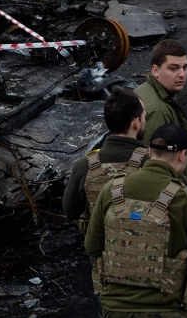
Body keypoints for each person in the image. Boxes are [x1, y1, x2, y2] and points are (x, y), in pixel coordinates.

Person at [86, 123, 187, 318]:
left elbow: (91, 247)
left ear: (149, 152)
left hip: (115, 315)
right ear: (183, 156)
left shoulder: (112, 189)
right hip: (165, 316)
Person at [135, 40, 187, 211]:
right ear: (155, 70)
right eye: (173, 68)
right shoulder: (158, 110)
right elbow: (152, 164)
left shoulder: (145, 90)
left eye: (185, 67)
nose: (182, 74)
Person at [62, 88, 148, 226]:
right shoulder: (152, 162)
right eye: (144, 117)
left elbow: (70, 211)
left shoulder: (84, 165)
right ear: (136, 123)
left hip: (99, 245)